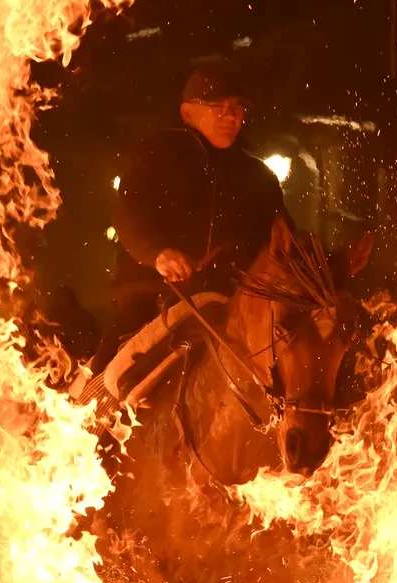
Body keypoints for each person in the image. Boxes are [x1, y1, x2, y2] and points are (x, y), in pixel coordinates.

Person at [92, 65, 291, 373]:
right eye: (217, 107)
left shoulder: (259, 178)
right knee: (109, 376)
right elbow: (129, 214)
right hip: (150, 296)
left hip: (231, 306)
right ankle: (91, 416)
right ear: (187, 112)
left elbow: (282, 241)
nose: (231, 116)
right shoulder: (155, 155)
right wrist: (157, 254)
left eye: (237, 108)